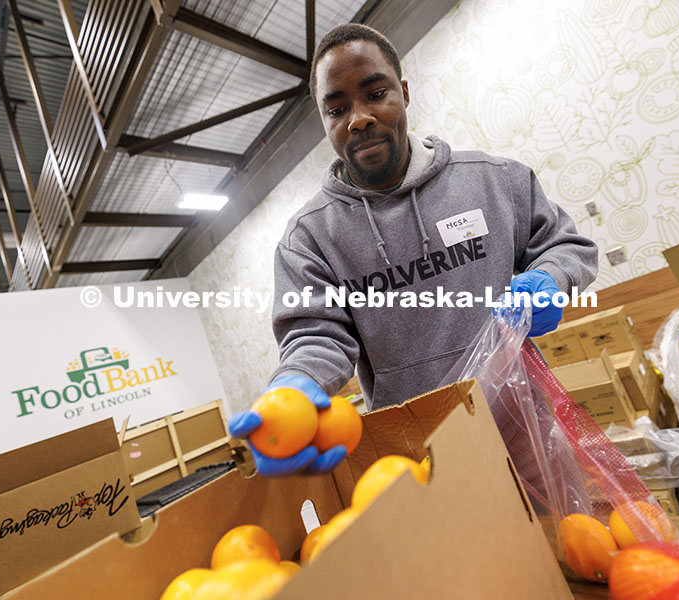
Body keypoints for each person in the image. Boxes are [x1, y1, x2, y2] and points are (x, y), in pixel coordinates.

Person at [229, 23, 598, 476]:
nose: (359, 117)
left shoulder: (496, 181)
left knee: (568, 546)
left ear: (403, 92)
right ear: (325, 122)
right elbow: (315, 336)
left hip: (528, 438)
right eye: (337, 108)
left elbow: (566, 246)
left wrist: (551, 279)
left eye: (375, 93)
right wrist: (294, 388)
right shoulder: (309, 239)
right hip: (417, 461)